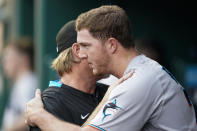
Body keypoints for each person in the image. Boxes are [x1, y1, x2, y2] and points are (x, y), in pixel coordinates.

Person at [25, 5, 197, 131]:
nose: (85, 54)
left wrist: (40, 116)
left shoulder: (137, 82)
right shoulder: (141, 74)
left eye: (87, 46)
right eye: (80, 47)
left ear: (111, 45)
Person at [30, 20, 109, 131]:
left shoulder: (110, 91)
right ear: (78, 50)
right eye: (101, 45)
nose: (109, 52)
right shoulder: (50, 104)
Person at [2, 37, 37, 131]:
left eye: (9, 58)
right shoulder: (22, 82)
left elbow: (30, 115)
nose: (5, 63)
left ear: (24, 58)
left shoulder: (28, 82)